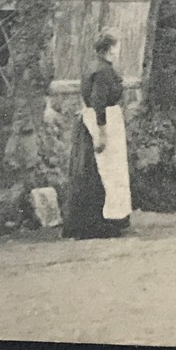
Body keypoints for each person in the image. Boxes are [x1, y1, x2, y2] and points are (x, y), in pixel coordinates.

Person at [62, 31, 132, 239]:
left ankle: (105, 219)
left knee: (98, 172)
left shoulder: (97, 67)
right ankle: (93, 223)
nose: (118, 50)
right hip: (101, 123)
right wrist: (101, 133)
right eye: (117, 46)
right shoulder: (102, 71)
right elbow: (98, 101)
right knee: (99, 172)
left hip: (95, 120)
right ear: (110, 49)